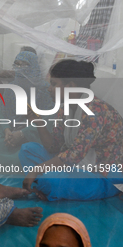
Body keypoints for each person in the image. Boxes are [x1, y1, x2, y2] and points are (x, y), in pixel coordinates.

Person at [19, 59, 123, 201]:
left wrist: (37, 169)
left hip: (102, 173)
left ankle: (48, 185)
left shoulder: (96, 110)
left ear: (71, 86)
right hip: (76, 165)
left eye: (54, 84)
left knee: (50, 180)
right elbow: (54, 147)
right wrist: (39, 124)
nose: (49, 89)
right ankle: (47, 185)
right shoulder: (64, 109)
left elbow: (74, 154)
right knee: (27, 150)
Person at [0, 51, 54, 169]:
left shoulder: (46, 90)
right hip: (10, 135)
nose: (20, 68)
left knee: (20, 158)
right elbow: (3, 114)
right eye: (17, 64)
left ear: (34, 67)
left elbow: (50, 119)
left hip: (35, 136)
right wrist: (7, 131)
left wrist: (22, 134)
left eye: (24, 65)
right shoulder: (11, 88)